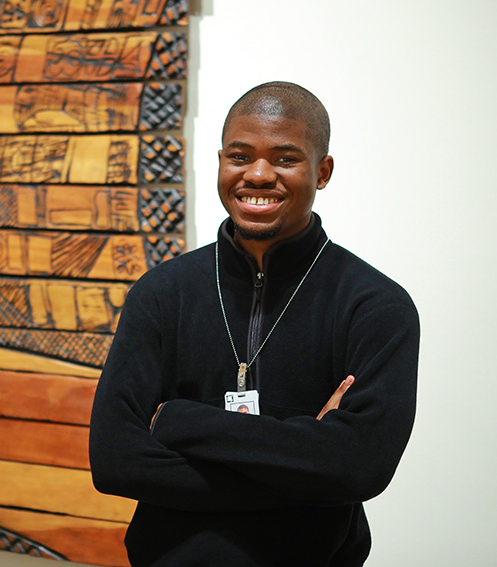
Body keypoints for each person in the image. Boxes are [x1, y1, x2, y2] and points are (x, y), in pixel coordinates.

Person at [89, 82, 419, 566]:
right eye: (240, 156)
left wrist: (179, 421)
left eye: (285, 159)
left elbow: (359, 468)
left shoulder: (375, 306)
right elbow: (115, 461)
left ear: (322, 171)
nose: (258, 175)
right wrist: (307, 463)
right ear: (221, 161)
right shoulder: (161, 294)